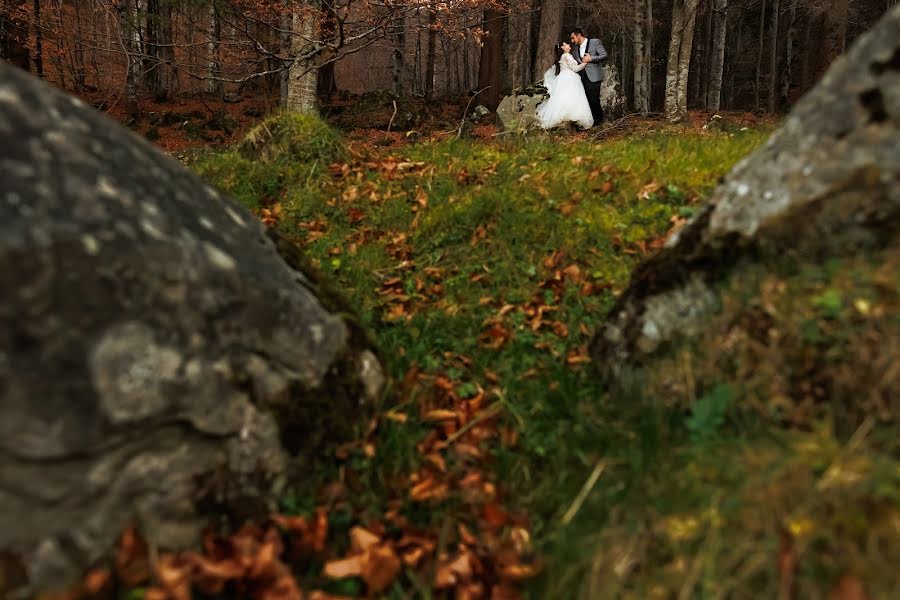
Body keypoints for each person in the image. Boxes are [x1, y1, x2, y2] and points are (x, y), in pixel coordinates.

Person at [536, 42, 594, 130]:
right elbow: (575, 68)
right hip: (569, 79)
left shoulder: (565, 56)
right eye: (566, 44)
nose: (568, 45)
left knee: (565, 97)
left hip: (565, 78)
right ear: (563, 47)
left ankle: (566, 118)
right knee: (571, 97)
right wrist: (585, 63)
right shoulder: (567, 56)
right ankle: (570, 117)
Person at [570, 28, 608, 125]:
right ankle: (591, 122)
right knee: (586, 100)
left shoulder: (595, 42)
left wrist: (591, 58)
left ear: (579, 35)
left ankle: (599, 121)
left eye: (573, 38)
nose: (572, 41)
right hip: (582, 78)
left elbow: (604, 55)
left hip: (594, 76)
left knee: (594, 99)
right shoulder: (575, 50)